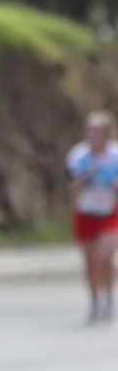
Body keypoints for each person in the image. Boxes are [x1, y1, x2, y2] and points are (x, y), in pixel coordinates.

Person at [65, 110, 118, 324]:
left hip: (108, 212)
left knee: (105, 256)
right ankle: (94, 301)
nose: (94, 135)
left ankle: (108, 298)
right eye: (90, 130)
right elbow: (69, 187)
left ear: (107, 133)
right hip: (85, 212)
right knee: (90, 261)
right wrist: (79, 182)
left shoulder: (115, 156)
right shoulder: (77, 156)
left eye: (99, 131)